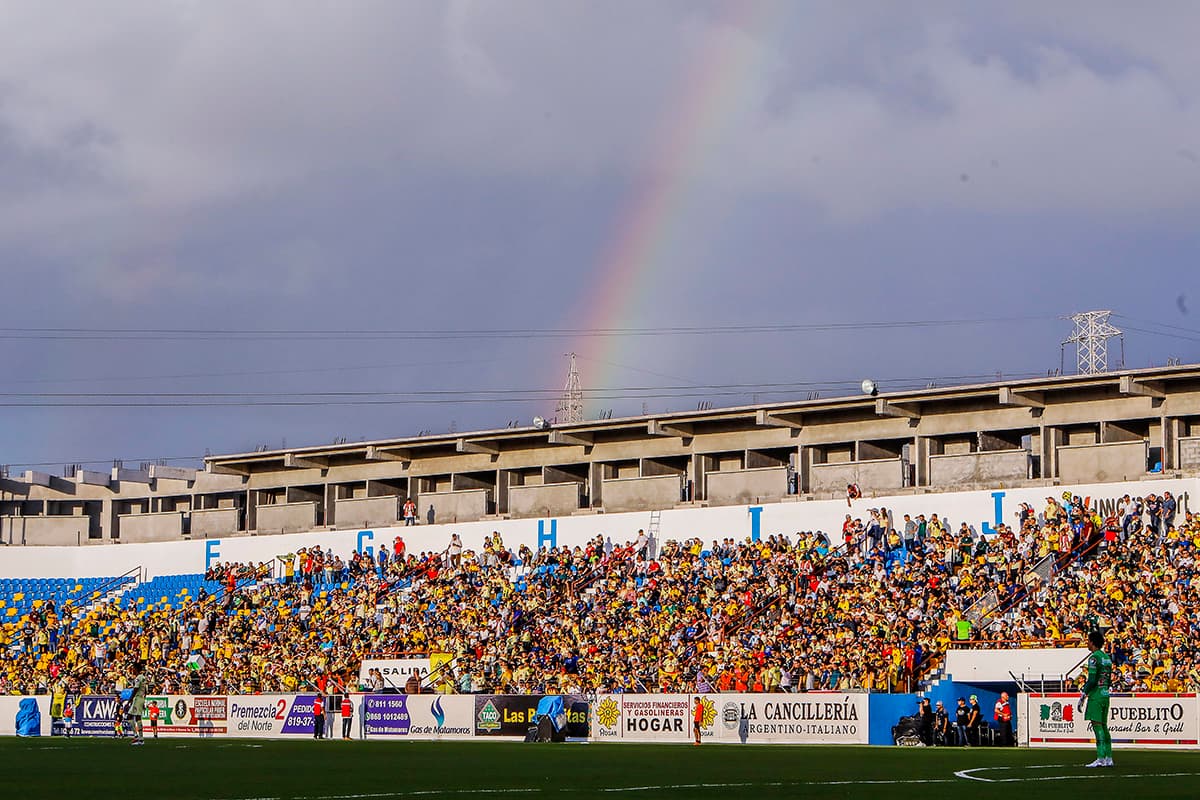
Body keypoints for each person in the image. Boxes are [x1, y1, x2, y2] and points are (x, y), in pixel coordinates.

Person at [1079, 629, 1114, 768]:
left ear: (1092, 642)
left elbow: (1092, 679)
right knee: (1104, 727)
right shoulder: (1106, 657)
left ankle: (1100, 757)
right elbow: (1109, 679)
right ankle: (1109, 757)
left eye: (1088, 641)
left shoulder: (1094, 658)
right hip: (1105, 694)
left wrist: (1084, 693)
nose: (1087, 643)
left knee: (1097, 726)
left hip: (1097, 695)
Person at [127, 665, 147, 746]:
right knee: (138, 717)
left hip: (137, 699)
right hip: (141, 698)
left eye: (134, 669)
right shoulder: (143, 677)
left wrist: (130, 699)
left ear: (136, 669)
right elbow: (145, 690)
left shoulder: (138, 678)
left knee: (129, 717)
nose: (133, 670)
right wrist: (143, 701)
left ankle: (137, 736)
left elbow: (135, 689)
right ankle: (140, 739)